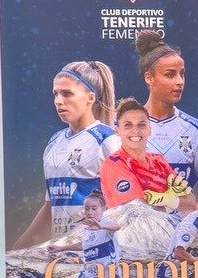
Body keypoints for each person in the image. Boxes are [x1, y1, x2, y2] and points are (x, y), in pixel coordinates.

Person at [11, 60, 120, 248]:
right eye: (55, 94)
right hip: (62, 251)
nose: (58, 101)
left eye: (67, 93)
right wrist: (18, 247)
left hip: (96, 251)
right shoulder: (54, 142)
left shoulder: (107, 139)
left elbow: (124, 205)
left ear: (90, 97)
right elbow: (49, 206)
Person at [134, 30, 198, 195]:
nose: (179, 82)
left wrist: (195, 216)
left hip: (180, 220)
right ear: (149, 77)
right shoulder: (122, 127)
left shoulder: (195, 129)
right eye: (170, 74)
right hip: (136, 220)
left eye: (182, 74)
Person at [100, 98, 196, 213]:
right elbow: (137, 210)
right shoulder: (114, 164)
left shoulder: (159, 161)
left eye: (141, 125)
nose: (135, 130)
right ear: (117, 130)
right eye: (128, 125)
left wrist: (170, 200)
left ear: (149, 130)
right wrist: (171, 201)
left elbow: (191, 203)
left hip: (168, 228)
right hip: (130, 230)